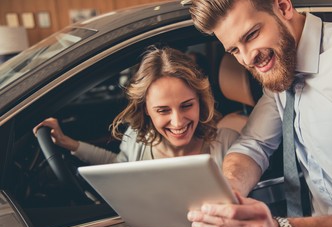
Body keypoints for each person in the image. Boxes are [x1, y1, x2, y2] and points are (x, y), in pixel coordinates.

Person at [187, 0, 332, 227]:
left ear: (283, 7)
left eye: (251, 35)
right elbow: (252, 145)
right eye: (235, 50)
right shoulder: (279, 71)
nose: (248, 58)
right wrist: (229, 192)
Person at [33, 46, 239, 169]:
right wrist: (69, 143)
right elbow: (119, 167)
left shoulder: (227, 143)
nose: (178, 121)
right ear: (146, 109)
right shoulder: (137, 139)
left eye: (186, 105)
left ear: (200, 101)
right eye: (163, 110)